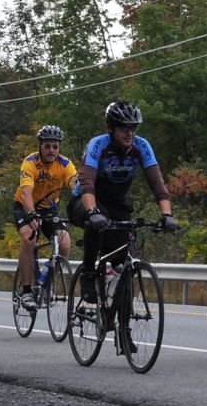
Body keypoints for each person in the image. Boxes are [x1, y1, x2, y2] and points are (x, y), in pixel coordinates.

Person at [68, 100, 177, 304]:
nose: (130, 133)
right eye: (124, 128)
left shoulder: (142, 146)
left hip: (116, 204)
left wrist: (167, 215)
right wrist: (92, 211)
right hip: (85, 200)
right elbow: (87, 182)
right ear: (111, 128)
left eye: (133, 128)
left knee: (122, 261)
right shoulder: (98, 144)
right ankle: (89, 275)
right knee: (97, 220)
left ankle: (119, 314)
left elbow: (157, 183)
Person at [12, 125, 78, 311]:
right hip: (25, 206)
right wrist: (32, 214)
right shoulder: (30, 162)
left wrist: (86, 207)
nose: (51, 150)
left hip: (49, 208)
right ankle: (26, 291)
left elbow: (76, 188)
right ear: (40, 146)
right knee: (29, 238)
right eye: (47, 146)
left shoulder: (65, 164)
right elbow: (26, 193)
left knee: (64, 244)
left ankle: (48, 281)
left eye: (55, 147)